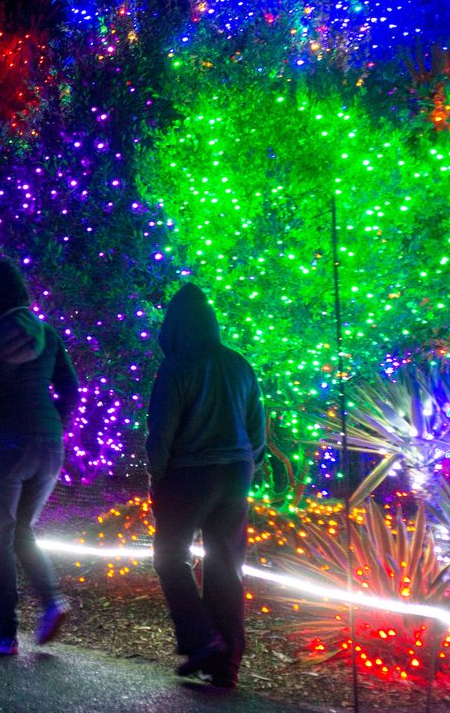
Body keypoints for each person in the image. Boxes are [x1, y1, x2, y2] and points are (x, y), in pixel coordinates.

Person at [147, 283, 266, 690]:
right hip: (236, 473)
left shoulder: (176, 366)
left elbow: (160, 432)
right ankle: (227, 664)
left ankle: (201, 639)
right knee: (225, 563)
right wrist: (249, 463)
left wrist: (156, 479)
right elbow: (257, 429)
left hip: (187, 475)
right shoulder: (238, 364)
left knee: (169, 556)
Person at [0, 260, 78, 655]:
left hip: (5, 448)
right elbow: (71, 389)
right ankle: (51, 602)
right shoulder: (46, 333)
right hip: (49, 446)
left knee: (0, 538)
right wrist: (53, 427)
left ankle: (5, 632)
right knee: (23, 529)